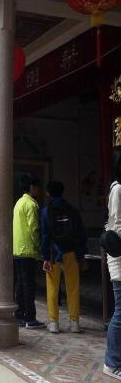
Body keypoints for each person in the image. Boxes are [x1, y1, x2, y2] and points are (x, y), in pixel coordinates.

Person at [41, 181, 87, 334]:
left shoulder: (46, 212)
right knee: (73, 287)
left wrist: (46, 257)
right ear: (63, 192)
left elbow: (45, 236)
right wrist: (81, 255)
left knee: (52, 287)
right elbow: (81, 233)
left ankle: (54, 323)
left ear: (48, 193)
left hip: (54, 254)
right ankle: (75, 322)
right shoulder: (73, 210)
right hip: (71, 252)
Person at [13, 174, 45, 329]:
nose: (39, 190)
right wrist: (40, 245)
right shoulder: (31, 204)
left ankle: (19, 315)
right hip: (28, 250)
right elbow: (34, 228)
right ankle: (30, 317)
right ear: (32, 187)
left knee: (20, 284)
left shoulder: (19, 203)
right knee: (29, 285)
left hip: (18, 249)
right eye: (38, 187)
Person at [103, 147, 121, 380]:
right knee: (120, 312)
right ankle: (112, 362)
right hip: (119, 259)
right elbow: (117, 225)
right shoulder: (117, 189)